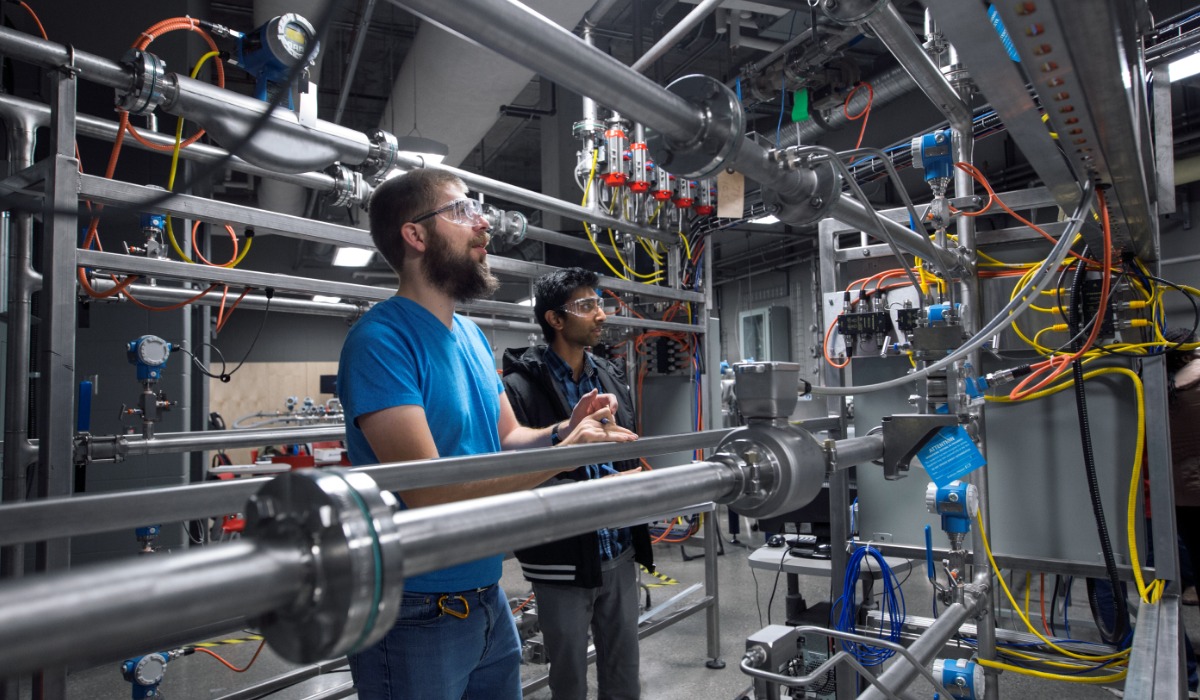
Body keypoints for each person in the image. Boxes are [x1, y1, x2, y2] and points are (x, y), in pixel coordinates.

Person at [338, 171, 638, 700]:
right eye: (461, 212)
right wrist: (564, 456)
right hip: (413, 605)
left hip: (486, 594)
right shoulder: (381, 340)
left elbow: (509, 439)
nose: (483, 224)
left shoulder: (472, 336)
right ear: (415, 235)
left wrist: (564, 430)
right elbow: (430, 493)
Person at [502, 267, 652, 700]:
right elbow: (516, 473)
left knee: (624, 675)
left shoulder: (609, 376)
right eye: (586, 306)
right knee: (568, 679)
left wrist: (630, 479)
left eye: (598, 303)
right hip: (561, 558)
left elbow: (622, 447)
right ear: (555, 319)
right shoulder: (519, 388)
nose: (600, 314)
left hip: (618, 547)